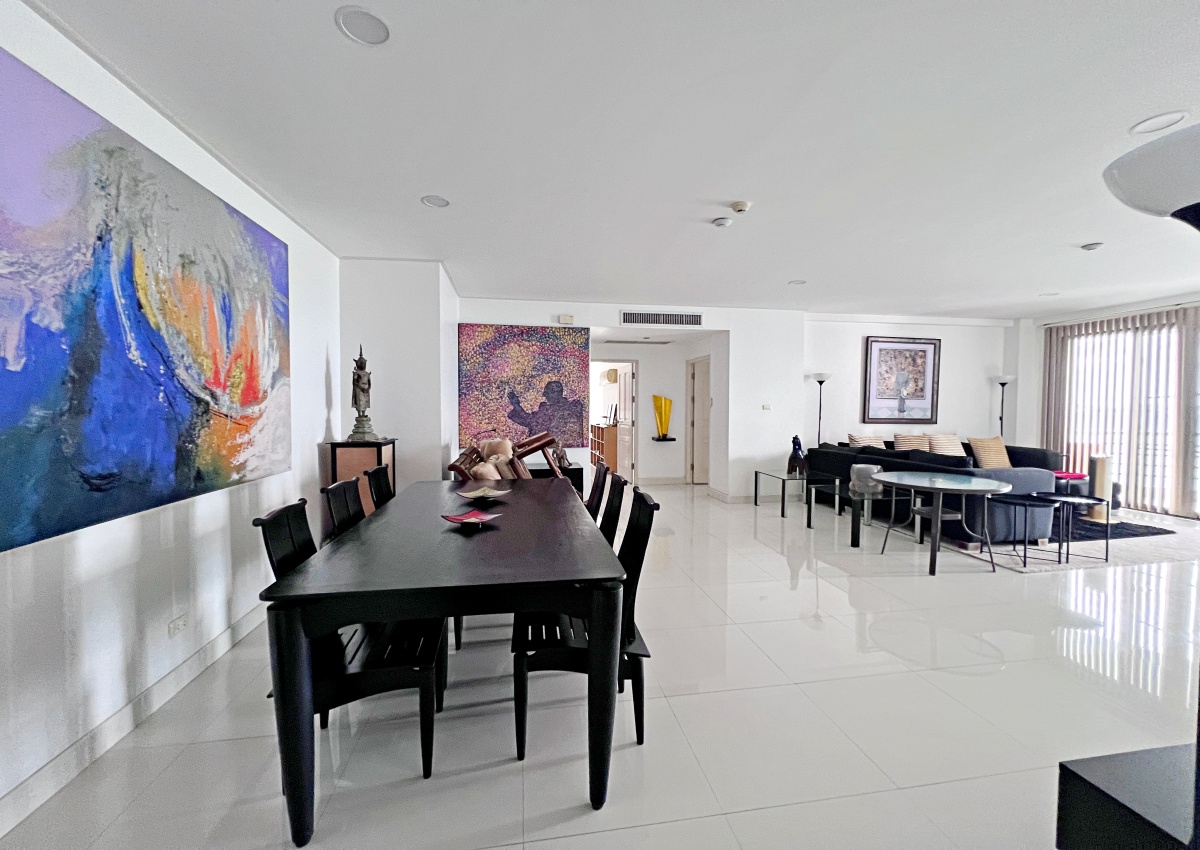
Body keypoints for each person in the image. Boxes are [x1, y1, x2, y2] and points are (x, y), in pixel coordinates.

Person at [507, 380, 586, 446]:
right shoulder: (573, 408)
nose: (544, 395)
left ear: (555, 393)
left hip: (551, 448)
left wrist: (516, 405)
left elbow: (531, 421)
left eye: (547, 393)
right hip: (570, 448)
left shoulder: (551, 410)